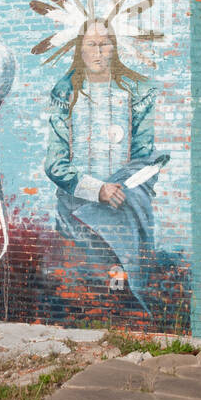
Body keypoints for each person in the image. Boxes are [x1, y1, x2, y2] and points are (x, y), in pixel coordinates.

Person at [44, 19, 167, 314]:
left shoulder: (137, 94)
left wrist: (126, 188)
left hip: (123, 210)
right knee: (83, 296)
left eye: (105, 43)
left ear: (114, 47)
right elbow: (54, 164)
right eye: (91, 44)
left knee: (125, 298)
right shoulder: (65, 95)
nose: (99, 51)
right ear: (80, 51)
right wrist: (96, 189)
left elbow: (143, 159)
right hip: (78, 215)